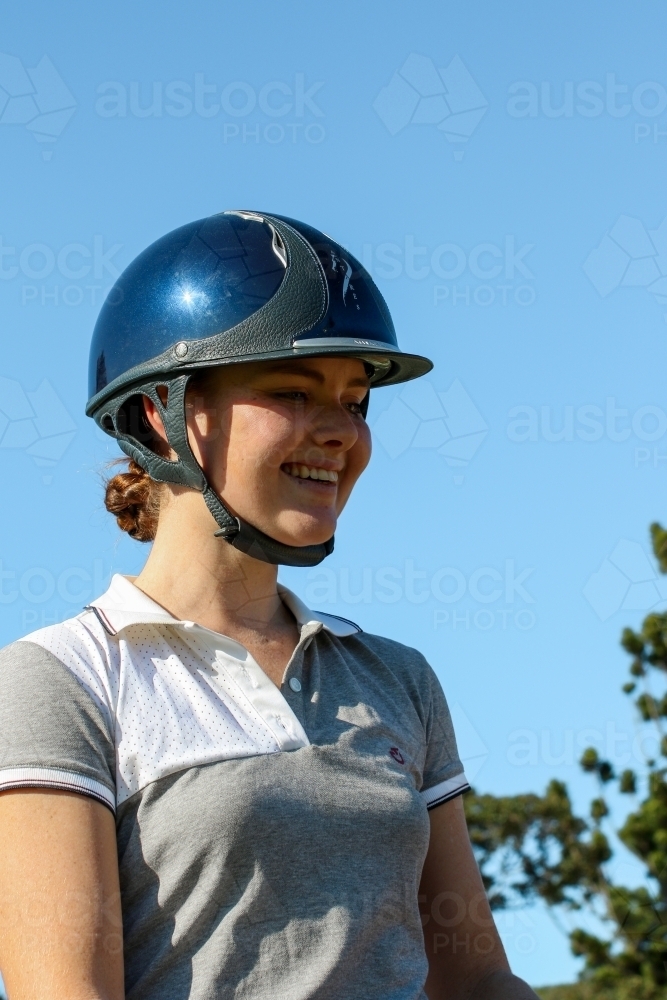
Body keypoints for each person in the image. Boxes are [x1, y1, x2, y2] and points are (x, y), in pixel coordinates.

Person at [0, 211, 538, 1000]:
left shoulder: (396, 678)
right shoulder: (63, 679)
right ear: (163, 414)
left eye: (356, 402)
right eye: (292, 391)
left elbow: (477, 979)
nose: (340, 434)